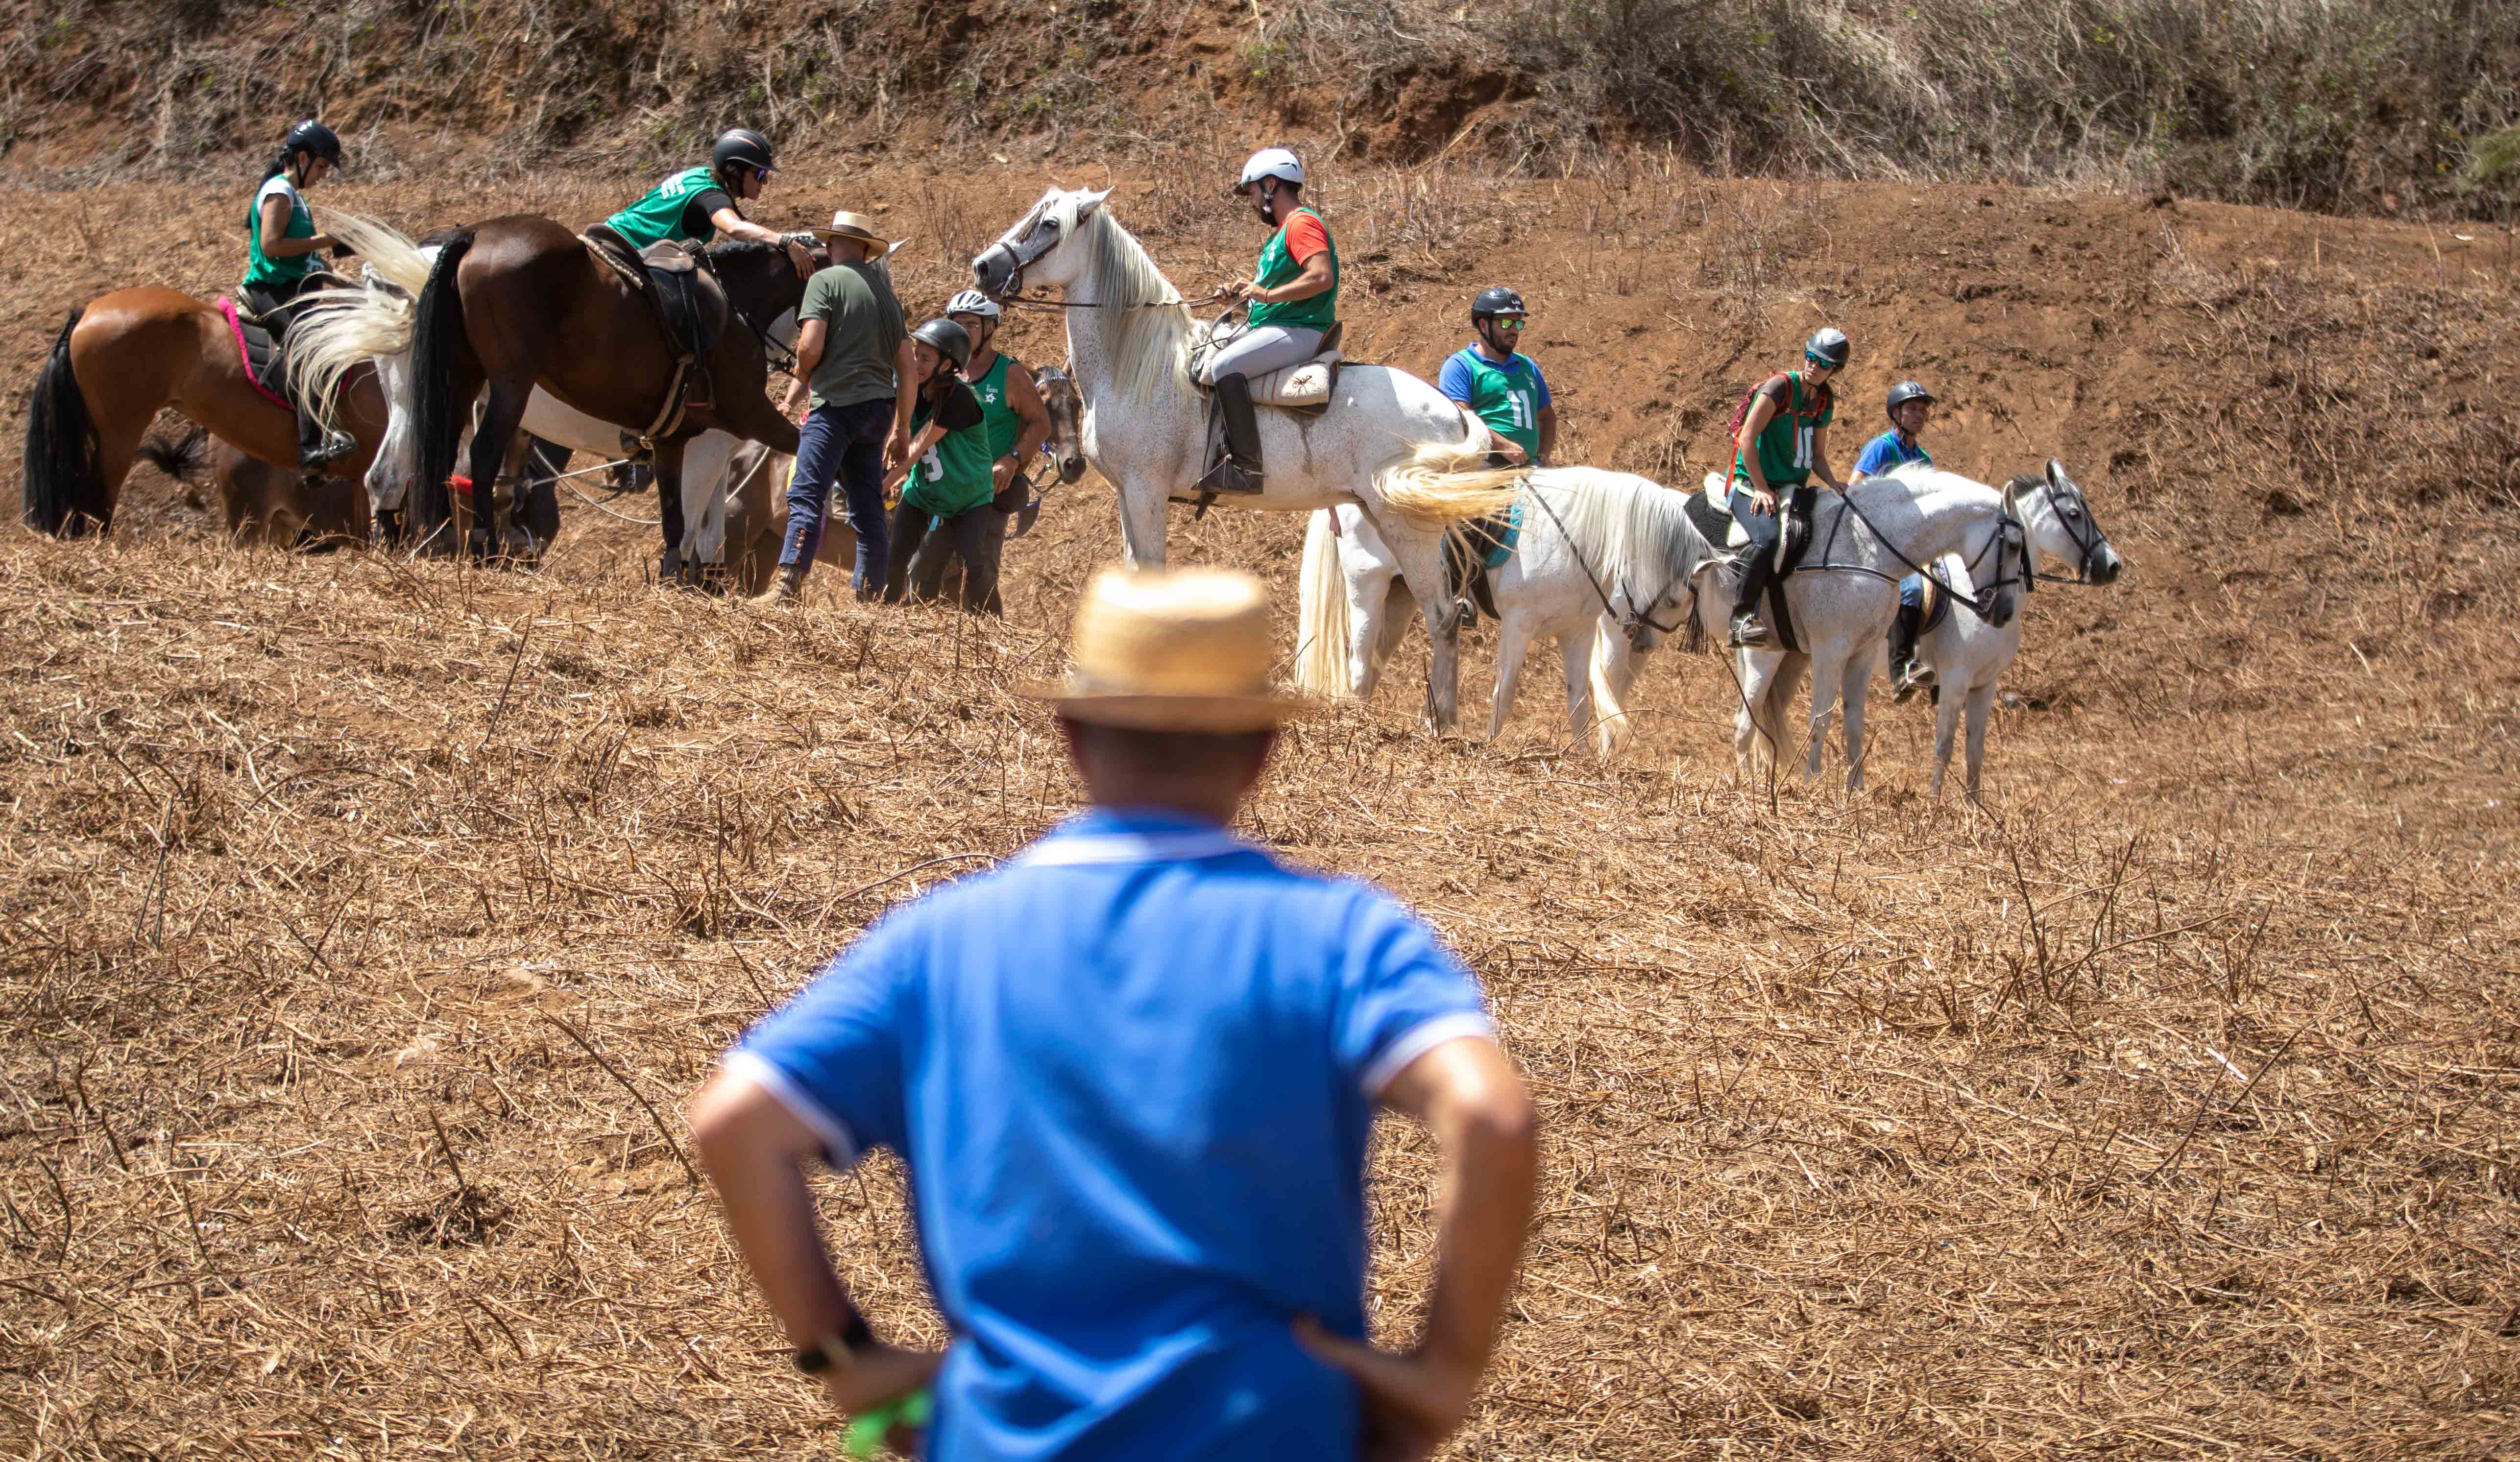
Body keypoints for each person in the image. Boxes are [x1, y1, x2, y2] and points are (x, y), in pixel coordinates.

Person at [688, 564, 1538, 1462]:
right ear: (1262, 750)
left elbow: (736, 1120)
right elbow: (1489, 1113)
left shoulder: (937, 942)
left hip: (1000, 1434)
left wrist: (842, 1356)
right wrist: (1442, 1375)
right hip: (1272, 1428)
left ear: (1069, 738)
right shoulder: (1344, 937)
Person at [760, 211, 908, 605]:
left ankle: (787, 588)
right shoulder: (888, 299)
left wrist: (802, 366)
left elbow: (810, 348)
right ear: (865, 249)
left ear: (830, 246)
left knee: (807, 495)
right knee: (867, 509)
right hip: (878, 415)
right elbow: (907, 369)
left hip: (835, 411)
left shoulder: (823, 281)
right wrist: (903, 430)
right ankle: (870, 597)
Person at [902, 290, 1055, 614]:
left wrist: (1012, 460)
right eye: (956, 324)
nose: (964, 331)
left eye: (972, 324)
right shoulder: (943, 372)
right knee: (922, 572)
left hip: (986, 493)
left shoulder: (1010, 375)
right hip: (942, 491)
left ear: (991, 329)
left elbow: (1041, 424)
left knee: (978, 575)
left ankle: (990, 645)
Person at [1198, 148, 1339, 495]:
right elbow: (1272, 293)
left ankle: (1247, 468)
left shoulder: (1302, 223)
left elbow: (1322, 277)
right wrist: (1242, 299)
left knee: (1225, 366)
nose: (1251, 201)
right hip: (1280, 325)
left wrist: (1265, 294)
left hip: (1301, 329)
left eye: (1253, 192)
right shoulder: (1280, 235)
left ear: (1271, 184)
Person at [240, 120, 355, 468]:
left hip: (295, 287)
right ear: (302, 159)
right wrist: (325, 240)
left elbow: (302, 253)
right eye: (321, 167)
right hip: (271, 290)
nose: (323, 175)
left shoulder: (296, 197)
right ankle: (310, 448)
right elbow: (272, 245)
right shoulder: (280, 191)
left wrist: (332, 269)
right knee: (309, 350)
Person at [1727, 326, 1851, 647]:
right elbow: (1747, 438)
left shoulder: (1825, 400)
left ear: (1834, 370)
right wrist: (1760, 487)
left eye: (1823, 363)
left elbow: (1819, 456)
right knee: (1768, 538)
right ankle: (1740, 618)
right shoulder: (1780, 387)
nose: (1813, 365)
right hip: (1749, 483)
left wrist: (1833, 482)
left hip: (1792, 486)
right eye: (1810, 357)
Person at [598, 127, 814, 278]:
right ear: (735, 171)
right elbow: (734, 227)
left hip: (611, 234)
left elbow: (744, 224)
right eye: (759, 175)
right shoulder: (711, 196)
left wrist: (787, 240)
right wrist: (787, 243)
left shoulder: (700, 174)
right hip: (625, 251)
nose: (765, 182)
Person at [876, 318, 989, 605]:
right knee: (894, 555)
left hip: (969, 497)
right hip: (923, 493)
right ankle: (881, 620)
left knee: (974, 567)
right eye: (915, 354)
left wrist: (882, 486)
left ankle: (993, 626)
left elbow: (916, 449)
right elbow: (893, 435)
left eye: (925, 358)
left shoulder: (958, 398)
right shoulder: (907, 386)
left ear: (948, 366)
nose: (915, 363)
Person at [1854, 381, 1941, 699]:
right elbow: (1856, 489)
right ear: (1896, 413)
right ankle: (1901, 672)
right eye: (1913, 408)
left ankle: (1939, 669)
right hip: (1880, 541)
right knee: (1914, 588)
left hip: (1912, 543)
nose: (1920, 414)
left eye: (1924, 409)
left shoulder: (1923, 458)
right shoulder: (1881, 448)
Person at [1438, 287, 1555, 466]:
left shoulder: (1527, 366)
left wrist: (1545, 456)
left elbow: (1546, 416)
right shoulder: (1461, 365)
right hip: (1483, 468)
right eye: (1507, 323)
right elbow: (1459, 419)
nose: (1515, 330)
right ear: (1484, 325)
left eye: (1518, 323)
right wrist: (1503, 446)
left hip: (1529, 469)